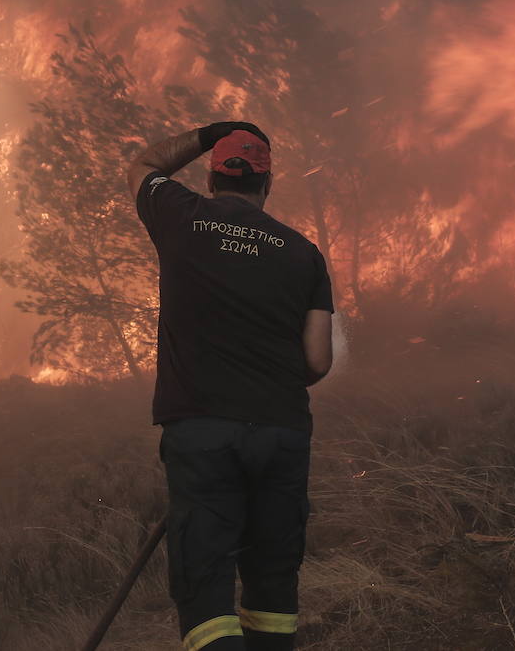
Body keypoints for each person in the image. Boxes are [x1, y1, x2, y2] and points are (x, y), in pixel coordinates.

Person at [128, 121, 334, 651]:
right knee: (272, 580)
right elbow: (316, 359)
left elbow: (141, 167)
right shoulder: (304, 253)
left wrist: (209, 132)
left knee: (204, 583)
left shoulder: (180, 216)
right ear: (268, 184)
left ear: (213, 176)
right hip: (281, 432)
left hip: (202, 433)